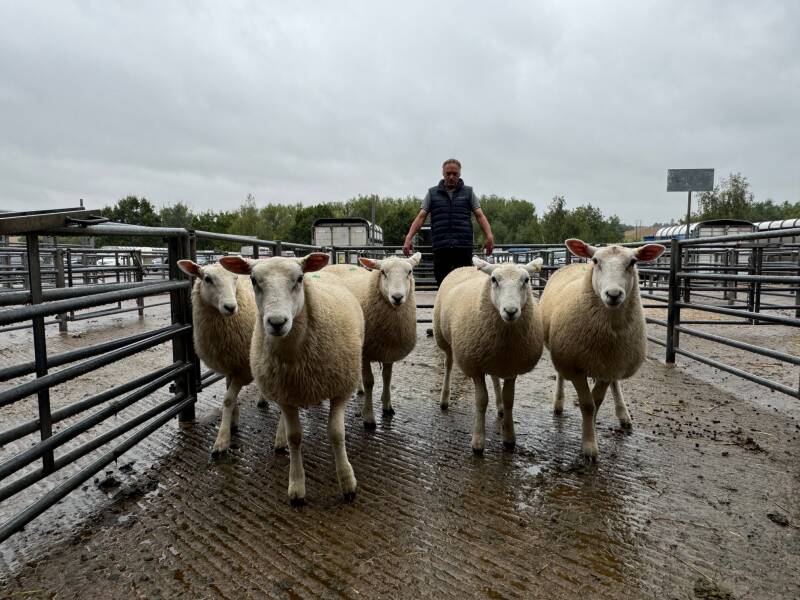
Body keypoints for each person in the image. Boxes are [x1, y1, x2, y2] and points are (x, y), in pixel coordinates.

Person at [402, 158, 494, 286]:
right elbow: (421, 217)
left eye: (454, 174)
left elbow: (480, 215)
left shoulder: (468, 193)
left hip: (463, 247)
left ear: (459, 174)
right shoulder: (432, 193)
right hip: (441, 247)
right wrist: (409, 237)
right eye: (448, 173)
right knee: (442, 284)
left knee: (464, 285)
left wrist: (489, 236)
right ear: (443, 174)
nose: (451, 177)